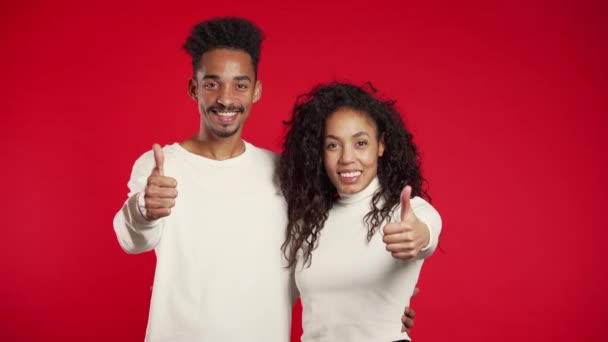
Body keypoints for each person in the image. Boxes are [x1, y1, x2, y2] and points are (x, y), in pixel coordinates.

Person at [113, 17, 417, 341]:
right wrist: (144, 210)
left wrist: (370, 306)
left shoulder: (282, 172)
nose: (226, 98)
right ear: (193, 88)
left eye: (240, 85)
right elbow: (133, 240)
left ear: (256, 91)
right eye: (212, 83)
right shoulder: (161, 167)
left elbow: (325, 247)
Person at [279, 82, 442, 342]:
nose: (346, 158)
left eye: (361, 143)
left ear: (381, 145)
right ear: (320, 153)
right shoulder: (306, 224)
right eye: (333, 145)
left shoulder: (405, 211)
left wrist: (418, 236)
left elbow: (426, 233)